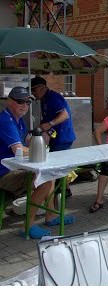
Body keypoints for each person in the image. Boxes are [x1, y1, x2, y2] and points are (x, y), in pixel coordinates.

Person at [0, 87, 75, 239]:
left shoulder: (18, 120)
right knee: (46, 182)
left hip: (16, 168)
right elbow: (18, 150)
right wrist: (41, 148)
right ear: (9, 102)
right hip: (5, 172)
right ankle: (27, 226)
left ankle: (50, 215)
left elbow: (24, 142)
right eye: (20, 101)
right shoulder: (5, 120)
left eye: (27, 102)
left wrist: (38, 136)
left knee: (50, 175)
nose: (25, 105)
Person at [30, 76, 77, 198]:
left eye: (34, 90)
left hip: (63, 137)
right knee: (60, 167)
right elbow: (46, 119)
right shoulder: (44, 99)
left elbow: (64, 115)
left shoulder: (53, 97)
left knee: (55, 169)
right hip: (55, 137)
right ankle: (64, 191)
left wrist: (49, 124)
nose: (33, 93)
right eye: (31, 90)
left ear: (42, 87)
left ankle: (55, 194)